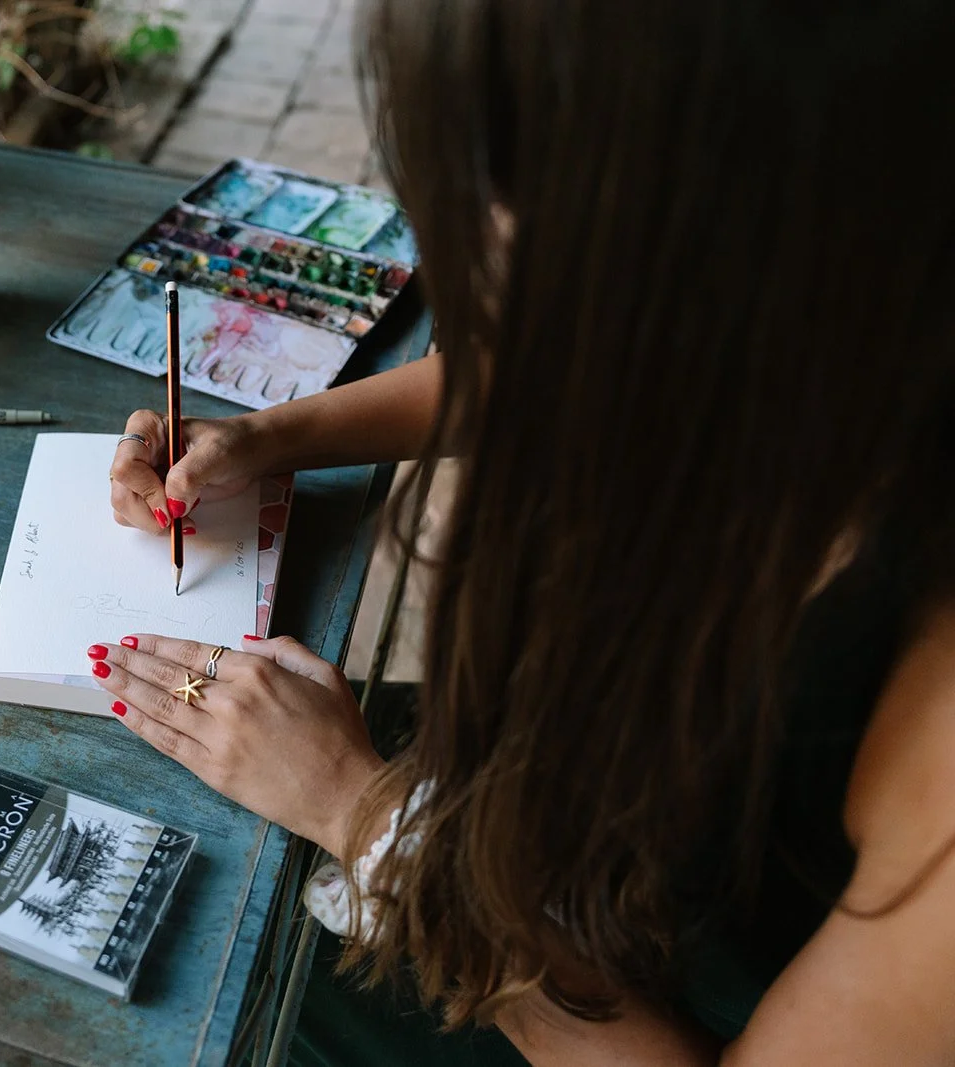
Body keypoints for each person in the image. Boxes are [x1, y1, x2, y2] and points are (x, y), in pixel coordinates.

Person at [97, 2, 955, 1064]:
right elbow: (561, 353)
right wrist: (267, 439)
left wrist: (367, 815)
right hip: (563, 823)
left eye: (503, 204)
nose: (473, 260)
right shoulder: (837, 304)